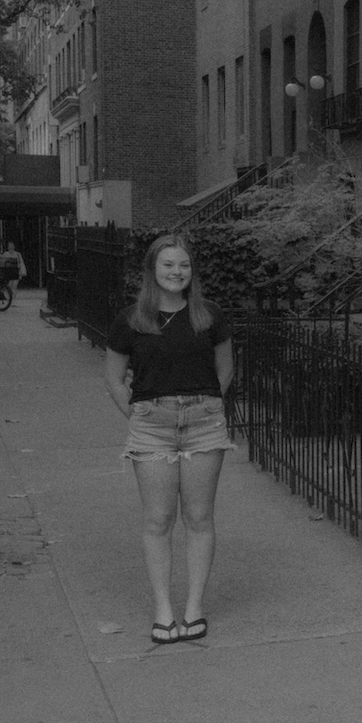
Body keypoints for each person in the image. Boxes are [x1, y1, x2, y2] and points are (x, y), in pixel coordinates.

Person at [104, 234, 235, 645]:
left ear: (191, 271)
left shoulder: (208, 315)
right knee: (158, 520)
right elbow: (112, 376)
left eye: (183, 265)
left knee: (199, 518)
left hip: (203, 423)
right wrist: (140, 415)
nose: (176, 272)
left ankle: (194, 606)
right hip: (152, 426)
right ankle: (163, 609)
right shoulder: (131, 319)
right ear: (152, 271)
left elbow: (225, 370)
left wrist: (207, 407)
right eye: (168, 265)